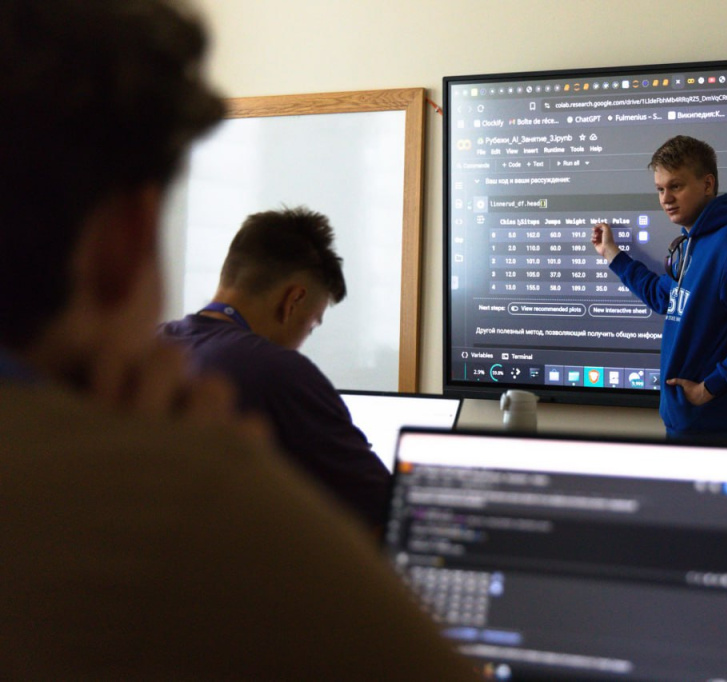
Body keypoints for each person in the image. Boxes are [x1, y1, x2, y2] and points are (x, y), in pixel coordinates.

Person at [0, 1, 480, 679]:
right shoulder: (176, 475)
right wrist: (212, 485)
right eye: (311, 322)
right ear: (127, 240)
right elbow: (397, 525)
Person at [160, 207, 390, 528]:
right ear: (292, 301)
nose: (303, 340)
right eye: (311, 326)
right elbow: (389, 510)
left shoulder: (152, 349)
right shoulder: (279, 372)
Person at [591, 135, 727, 442]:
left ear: (707, 185)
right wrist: (612, 253)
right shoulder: (692, 243)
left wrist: (710, 387)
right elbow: (664, 297)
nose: (666, 198)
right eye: (660, 189)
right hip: (686, 420)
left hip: (714, 424)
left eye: (676, 186)